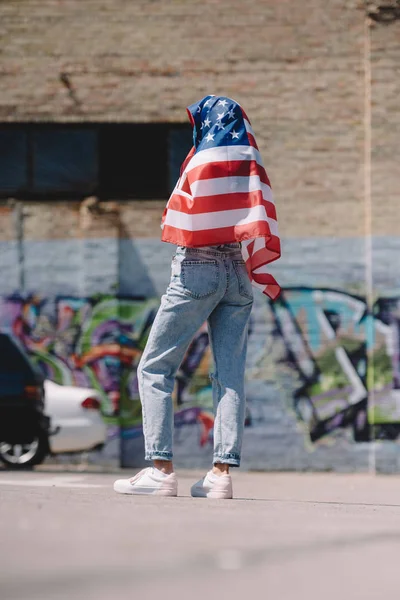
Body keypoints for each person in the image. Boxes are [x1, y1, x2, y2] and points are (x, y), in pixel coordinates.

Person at [114, 94, 281, 499]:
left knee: (155, 368)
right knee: (229, 375)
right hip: (237, 274)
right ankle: (220, 475)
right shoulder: (250, 162)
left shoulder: (202, 158)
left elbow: (184, 219)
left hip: (198, 270)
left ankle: (160, 469)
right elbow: (255, 216)